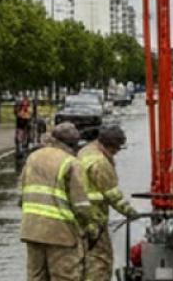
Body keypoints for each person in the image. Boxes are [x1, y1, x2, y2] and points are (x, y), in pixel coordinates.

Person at [20, 120, 95, 281]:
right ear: (73, 144)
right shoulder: (72, 163)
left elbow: (21, 195)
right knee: (65, 276)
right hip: (61, 233)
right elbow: (81, 205)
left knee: (36, 277)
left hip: (32, 229)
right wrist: (90, 227)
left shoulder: (33, 157)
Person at [78, 124, 139, 281]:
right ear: (112, 146)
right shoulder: (101, 163)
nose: (117, 152)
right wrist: (131, 213)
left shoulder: (85, 152)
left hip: (80, 217)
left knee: (84, 260)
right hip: (94, 219)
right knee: (101, 261)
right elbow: (113, 196)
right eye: (117, 149)